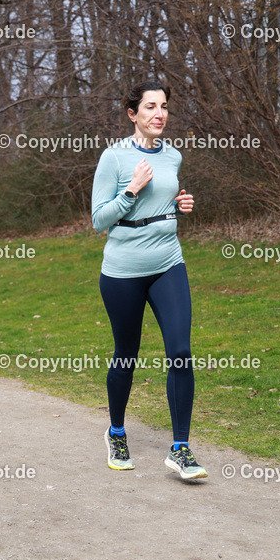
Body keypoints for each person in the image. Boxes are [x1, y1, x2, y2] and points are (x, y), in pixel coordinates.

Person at [91, 81, 205, 480]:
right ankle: (117, 432)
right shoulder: (114, 158)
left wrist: (178, 207)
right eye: (151, 107)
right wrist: (131, 190)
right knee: (126, 354)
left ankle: (181, 448)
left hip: (168, 264)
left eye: (164, 107)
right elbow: (98, 220)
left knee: (180, 351)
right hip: (122, 272)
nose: (160, 114)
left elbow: (162, 203)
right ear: (132, 114)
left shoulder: (172, 156)